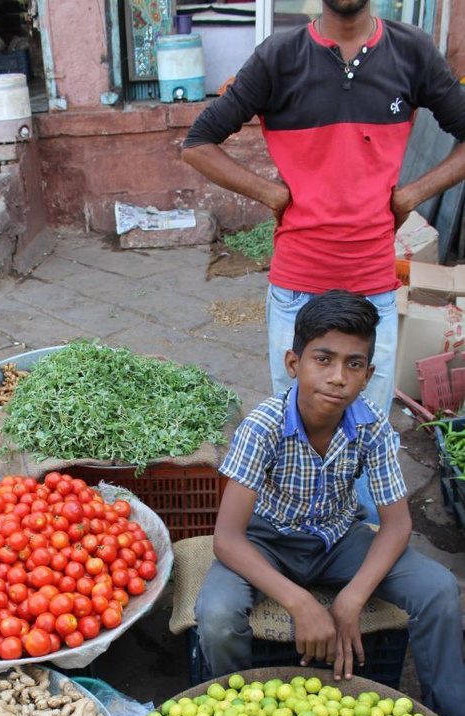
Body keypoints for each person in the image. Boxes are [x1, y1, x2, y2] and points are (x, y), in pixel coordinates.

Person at [194, 290, 465, 716]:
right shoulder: (262, 426)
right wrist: (300, 602)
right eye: (323, 359)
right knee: (219, 616)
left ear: (368, 375)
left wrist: (352, 597)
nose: (338, 377)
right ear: (293, 363)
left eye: (353, 364)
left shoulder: (373, 425)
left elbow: (397, 524)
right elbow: (227, 538)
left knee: (437, 589)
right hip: (265, 542)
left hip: (340, 539)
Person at [182, 0, 465, 417]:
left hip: (374, 284)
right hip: (298, 287)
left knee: (368, 430)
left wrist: (411, 195)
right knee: (298, 426)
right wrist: (272, 194)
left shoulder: (411, 51)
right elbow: (198, 145)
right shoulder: (278, 57)